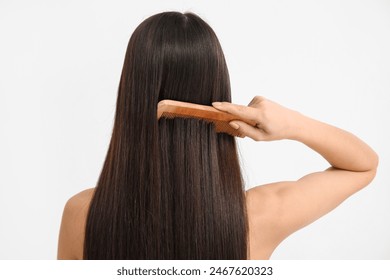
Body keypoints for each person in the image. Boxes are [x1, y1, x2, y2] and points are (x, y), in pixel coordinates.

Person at [57, 12, 378, 260]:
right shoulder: (259, 215)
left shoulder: (81, 215)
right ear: (218, 94)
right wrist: (291, 123)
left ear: (129, 99)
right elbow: (363, 165)